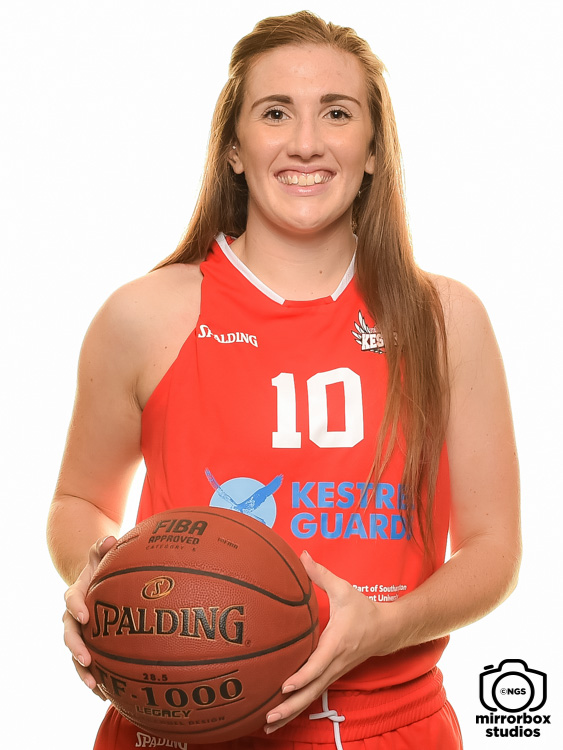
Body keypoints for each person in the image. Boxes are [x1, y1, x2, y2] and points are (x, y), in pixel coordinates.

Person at [47, 10, 521, 750]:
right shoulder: (144, 314)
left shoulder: (443, 318)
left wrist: (386, 625)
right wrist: (99, 575)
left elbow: (493, 549)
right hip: (179, 724)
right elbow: (79, 502)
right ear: (234, 149)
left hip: (388, 723)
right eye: (275, 113)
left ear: (373, 149)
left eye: (337, 112)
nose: (305, 141)